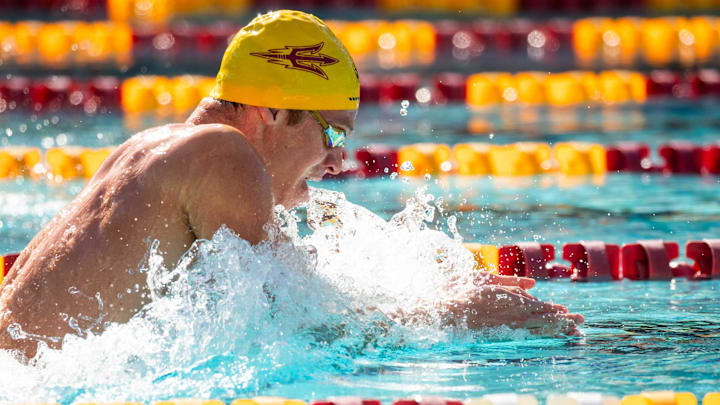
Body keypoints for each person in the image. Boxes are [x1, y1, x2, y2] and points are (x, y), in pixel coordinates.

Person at [0, 10, 582, 360]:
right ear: (272, 112)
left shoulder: (152, 149)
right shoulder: (222, 154)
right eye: (332, 132)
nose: (336, 161)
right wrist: (455, 315)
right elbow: (297, 330)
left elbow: (300, 302)